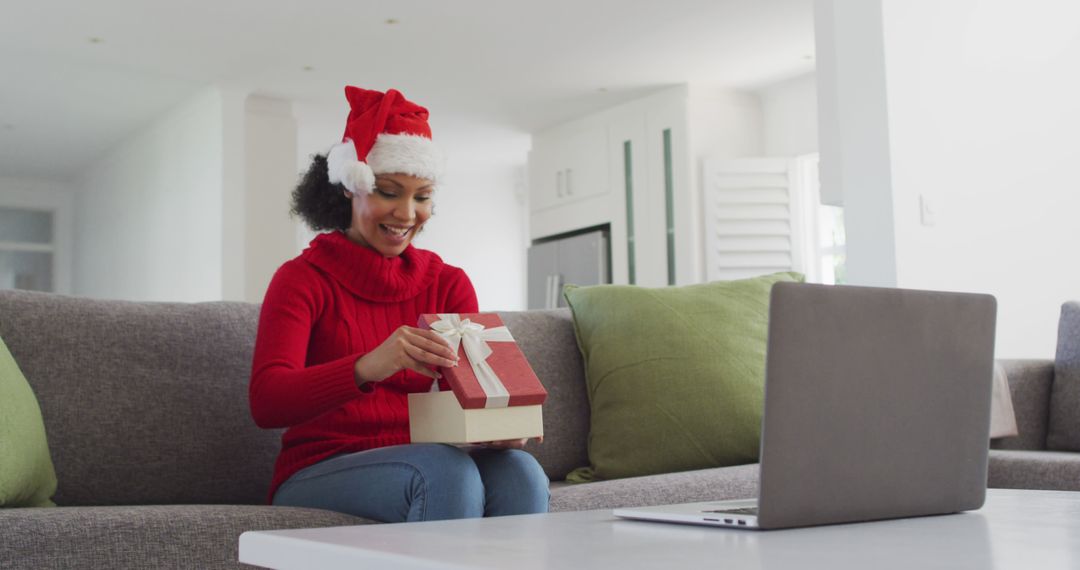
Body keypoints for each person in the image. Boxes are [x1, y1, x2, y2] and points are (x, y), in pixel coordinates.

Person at [249, 86, 549, 522]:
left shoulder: (448, 284)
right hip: (321, 468)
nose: (408, 214)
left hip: (427, 458)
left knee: (520, 471)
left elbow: (458, 405)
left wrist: (495, 430)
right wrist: (371, 364)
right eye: (389, 192)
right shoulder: (301, 279)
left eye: (422, 196)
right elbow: (267, 402)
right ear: (351, 188)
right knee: (443, 473)